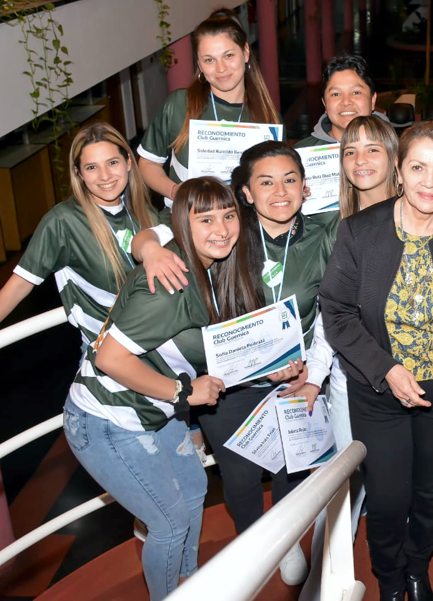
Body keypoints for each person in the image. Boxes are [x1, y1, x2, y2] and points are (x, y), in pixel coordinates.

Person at [133, 141, 337, 586]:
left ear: (305, 187)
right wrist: (149, 251)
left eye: (289, 180)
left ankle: (283, 545)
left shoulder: (325, 236)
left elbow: (332, 313)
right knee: (240, 478)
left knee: (290, 468)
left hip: (294, 380)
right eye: (265, 182)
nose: (279, 191)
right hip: (226, 383)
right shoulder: (226, 227)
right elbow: (151, 235)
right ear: (245, 192)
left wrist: (313, 373)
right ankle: (252, 547)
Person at [319, 121, 433, 601]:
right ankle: (390, 578)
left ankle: (417, 570)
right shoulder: (360, 232)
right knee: (386, 499)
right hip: (378, 392)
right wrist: (384, 368)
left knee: (430, 496)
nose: (428, 180)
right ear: (399, 172)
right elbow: (336, 313)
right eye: (417, 167)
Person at [64, 177, 258, 600]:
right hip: (108, 419)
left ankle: (187, 584)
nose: (221, 229)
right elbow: (109, 359)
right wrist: (183, 394)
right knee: (169, 524)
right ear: (184, 224)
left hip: (152, 410)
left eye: (228, 216)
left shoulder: (202, 262)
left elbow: (148, 235)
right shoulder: (172, 284)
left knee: (194, 490)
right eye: (205, 219)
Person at [0, 122, 157, 376]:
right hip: (111, 365)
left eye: (112, 162)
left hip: (160, 349)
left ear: (128, 161)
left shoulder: (143, 212)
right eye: (92, 167)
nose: (105, 176)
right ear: (79, 173)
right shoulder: (63, 222)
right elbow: (18, 286)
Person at [298, 115, 400, 601]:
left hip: (409, 385)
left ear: (393, 158)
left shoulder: (417, 214)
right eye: (349, 151)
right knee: (339, 487)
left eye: (372, 149)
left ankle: (396, 580)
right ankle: (324, 582)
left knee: (392, 490)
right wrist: (317, 376)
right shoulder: (338, 224)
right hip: (349, 380)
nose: (360, 160)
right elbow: (330, 313)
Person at [137, 9, 280, 206]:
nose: (220, 68)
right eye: (209, 60)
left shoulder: (269, 118)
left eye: (228, 55)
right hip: (186, 221)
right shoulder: (180, 105)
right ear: (200, 65)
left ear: (245, 52)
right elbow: (148, 163)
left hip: (246, 223)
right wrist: (175, 191)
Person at [295, 55, 386, 149]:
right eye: (336, 94)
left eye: (356, 92)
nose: (346, 102)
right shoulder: (303, 153)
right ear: (325, 103)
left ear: (372, 100)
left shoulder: (396, 150)